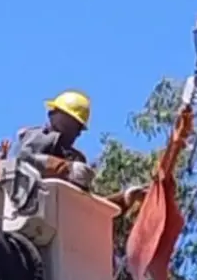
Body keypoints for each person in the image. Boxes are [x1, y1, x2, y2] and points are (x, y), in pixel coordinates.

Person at [17, 90, 146, 212]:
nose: (78, 133)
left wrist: (124, 199)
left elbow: (85, 206)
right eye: (74, 125)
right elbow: (24, 159)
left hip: (61, 215)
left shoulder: (75, 158)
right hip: (30, 207)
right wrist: (66, 169)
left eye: (79, 128)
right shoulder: (37, 138)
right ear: (53, 116)